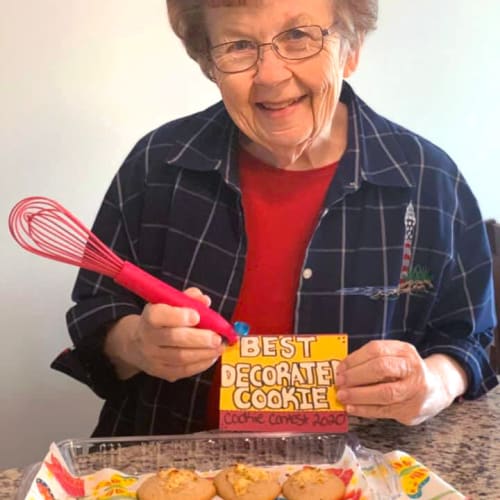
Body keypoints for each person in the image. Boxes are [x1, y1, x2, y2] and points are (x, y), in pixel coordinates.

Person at [53, 0, 498, 437]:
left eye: (299, 36)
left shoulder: (427, 179)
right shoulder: (159, 165)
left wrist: (433, 384)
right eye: (239, 45)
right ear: (210, 63)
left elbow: (468, 339)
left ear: (352, 46)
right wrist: (138, 345)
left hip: (360, 477)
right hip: (172, 476)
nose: (269, 75)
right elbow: (96, 312)